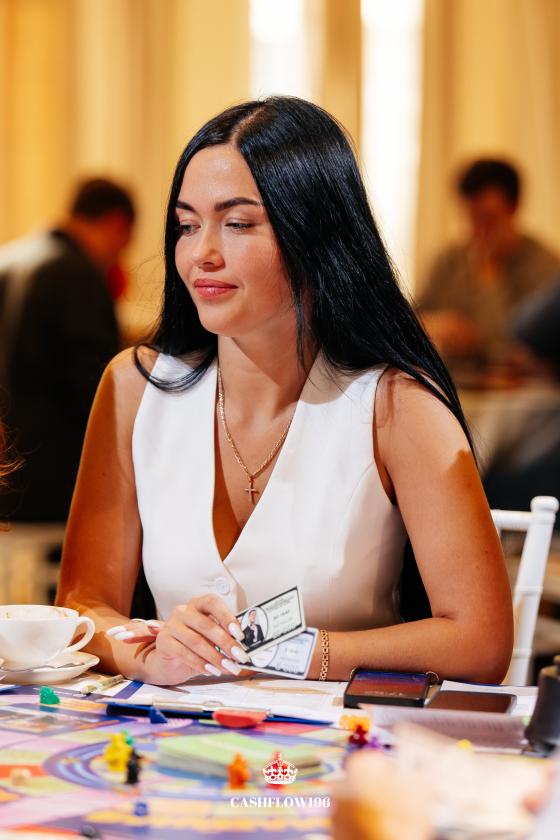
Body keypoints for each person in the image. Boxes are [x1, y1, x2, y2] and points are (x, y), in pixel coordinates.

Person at [57, 96, 513, 687]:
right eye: (188, 226)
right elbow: (83, 608)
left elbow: (480, 640)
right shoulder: (134, 389)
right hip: (173, 732)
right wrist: (146, 653)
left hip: (340, 738)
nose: (201, 254)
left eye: (238, 224)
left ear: (315, 234)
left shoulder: (397, 405)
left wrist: (303, 653)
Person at [0, 178, 134, 522]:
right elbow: (95, 387)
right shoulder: (77, 273)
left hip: (7, 469)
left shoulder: (9, 258)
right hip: (51, 477)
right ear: (116, 224)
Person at [418, 159, 560, 368]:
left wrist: (490, 273)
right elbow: (412, 318)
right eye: (471, 218)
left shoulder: (543, 267)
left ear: (513, 209)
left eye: (488, 219)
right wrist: (436, 324)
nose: (478, 231)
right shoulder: (449, 259)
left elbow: (514, 342)